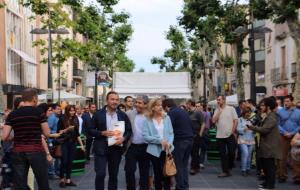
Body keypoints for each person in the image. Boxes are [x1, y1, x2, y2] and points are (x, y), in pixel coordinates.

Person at [1, 88, 52, 189]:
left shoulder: (13, 114)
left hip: (18, 152)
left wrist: (16, 136)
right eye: (37, 98)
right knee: (43, 182)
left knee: (20, 184)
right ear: (34, 98)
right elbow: (47, 133)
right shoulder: (39, 112)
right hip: (36, 151)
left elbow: (4, 137)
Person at [89, 91, 132, 190]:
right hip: (101, 148)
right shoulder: (98, 114)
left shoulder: (122, 115)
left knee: (113, 176)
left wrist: (123, 138)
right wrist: (101, 133)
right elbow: (90, 130)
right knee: (100, 174)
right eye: (112, 99)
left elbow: (129, 130)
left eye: (117, 100)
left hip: (116, 149)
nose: (115, 102)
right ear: (107, 100)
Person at [247, 97, 282, 190]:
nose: (261, 107)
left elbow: (265, 130)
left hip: (270, 146)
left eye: (263, 105)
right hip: (266, 145)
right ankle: (266, 182)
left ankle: (270, 185)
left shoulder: (272, 116)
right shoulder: (267, 115)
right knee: (265, 166)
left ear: (268, 107)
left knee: (270, 167)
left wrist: (252, 127)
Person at [162, 98, 194, 190]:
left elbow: (167, 128)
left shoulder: (172, 113)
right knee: (184, 165)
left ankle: (180, 187)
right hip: (189, 140)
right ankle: (184, 186)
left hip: (180, 141)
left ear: (167, 107)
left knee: (178, 166)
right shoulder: (182, 111)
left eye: (164, 109)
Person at [143, 98, 174, 190]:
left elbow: (171, 133)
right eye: (157, 105)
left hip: (167, 150)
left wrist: (169, 143)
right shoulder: (147, 120)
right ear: (152, 108)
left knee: (167, 174)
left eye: (160, 105)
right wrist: (159, 140)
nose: (160, 107)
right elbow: (146, 136)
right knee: (158, 175)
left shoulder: (167, 117)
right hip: (154, 151)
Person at [125, 95, 150, 190]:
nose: (136, 104)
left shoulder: (150, 115)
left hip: (146, 147)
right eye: (136, 102)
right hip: (132, 146)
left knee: (144, 172)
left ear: (146, 105)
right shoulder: (129, 114)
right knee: (129, 170)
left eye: (139, 103)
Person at [57, 105, 85, 187]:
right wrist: (67, 129)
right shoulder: (62, 119)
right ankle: (62, 179)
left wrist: (81, 145)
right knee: (64, 161)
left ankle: (68, 180)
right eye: (70, 111)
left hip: (73, 142)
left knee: (70, 161)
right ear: (67, 111)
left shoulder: (76, 119)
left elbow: (77, 134)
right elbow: (58, 132)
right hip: (64, 143)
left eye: (73, 110)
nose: (72, 112)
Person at [212, 95, 238, 177]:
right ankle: (225, 171)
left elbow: (235, 121)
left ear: (224, 100)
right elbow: (213, 121)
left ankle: (229, 167)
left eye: (219, 100)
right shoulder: (216, 110)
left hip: (229, 134)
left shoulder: (231, 109)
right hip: (220, 135)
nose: (218, 101)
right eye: (217, 100)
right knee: (222, 154)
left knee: (232, 152)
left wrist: (233, 131)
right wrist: (219, 111)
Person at [277, 95, 300, 183]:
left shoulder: (298, 112)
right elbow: (277, 124)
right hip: (283, 135)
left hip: (295, 136)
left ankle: (297, 177)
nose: (286, 103)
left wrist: (293, 133)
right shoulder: (279, 111)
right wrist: (284, 132)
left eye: (288, 101)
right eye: (285, 101)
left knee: (296, 157)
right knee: (282, 157)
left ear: (292, 101)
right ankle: (282, 175)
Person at [186, 99, 205, 175]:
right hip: (189, 135)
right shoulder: (187, 113)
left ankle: (193, 168)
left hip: (196, 134)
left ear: (190, 104)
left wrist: (200, 133)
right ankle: (196, 167)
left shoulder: (198, 112)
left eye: (187, 104)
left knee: (195, 152)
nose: (186, 105)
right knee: (192, 152)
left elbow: (203, 123)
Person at [237, 107, 255, 176]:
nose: (248, 114)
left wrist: (254, 129)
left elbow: (254, 129)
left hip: (251, 139)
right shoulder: (240, 120)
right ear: (244, 113)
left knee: (249, 155)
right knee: (245, 153)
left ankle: (248, 168)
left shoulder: (252, 120)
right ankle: (243, 169)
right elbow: (238, 129)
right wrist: (245, 128)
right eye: (247, 112)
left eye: (249, 113)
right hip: (242, 139)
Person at [47, 103, 62, 178]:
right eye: (58, 109)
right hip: (51, 141)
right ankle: (51, 173)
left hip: (56, 140)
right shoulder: (52, 117)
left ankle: (55, 172)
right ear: (53, 110)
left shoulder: (57, 117)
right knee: (53, 158)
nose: (60, 110)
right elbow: (48, 130)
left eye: (60, 109)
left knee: (56, 157)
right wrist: (56, 133)